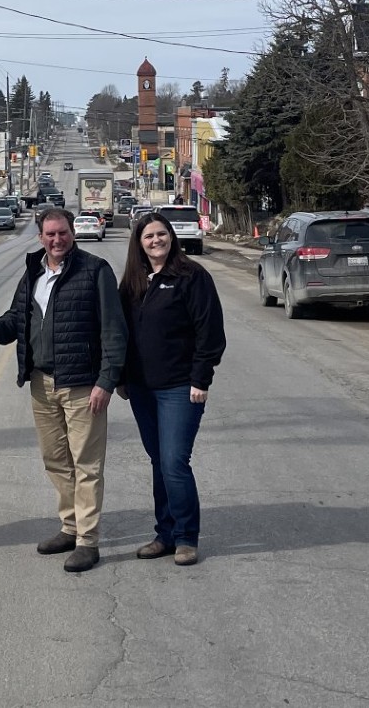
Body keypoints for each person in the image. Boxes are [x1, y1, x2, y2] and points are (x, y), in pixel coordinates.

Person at [0, 207, 127, 573]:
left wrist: (106, 381)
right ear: (40, 237)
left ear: (72, 233)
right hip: (41, 384)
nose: (57, 240)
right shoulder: (33, 273)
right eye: (50, 234)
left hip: (82, 385)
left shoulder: (95, 271)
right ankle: (70, 526)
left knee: (87, 465)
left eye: (62, 233)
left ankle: (88, 541)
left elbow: (114, 330)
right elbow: (15, 321)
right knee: (56, 461)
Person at [117, 212, 226, 566]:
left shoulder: (191, 277)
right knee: (158, 462)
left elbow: (210, 333)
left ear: (172, 237)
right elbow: (122, 334)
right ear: (139, 243)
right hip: (142, 389)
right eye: (148, 236)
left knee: (174, 461)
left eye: (161, 234)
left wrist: (201, 379)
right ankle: (164, 534)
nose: (156, 241)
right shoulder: (133, 282)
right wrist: (120, 377)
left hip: (180, 388)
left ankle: (186, 538)